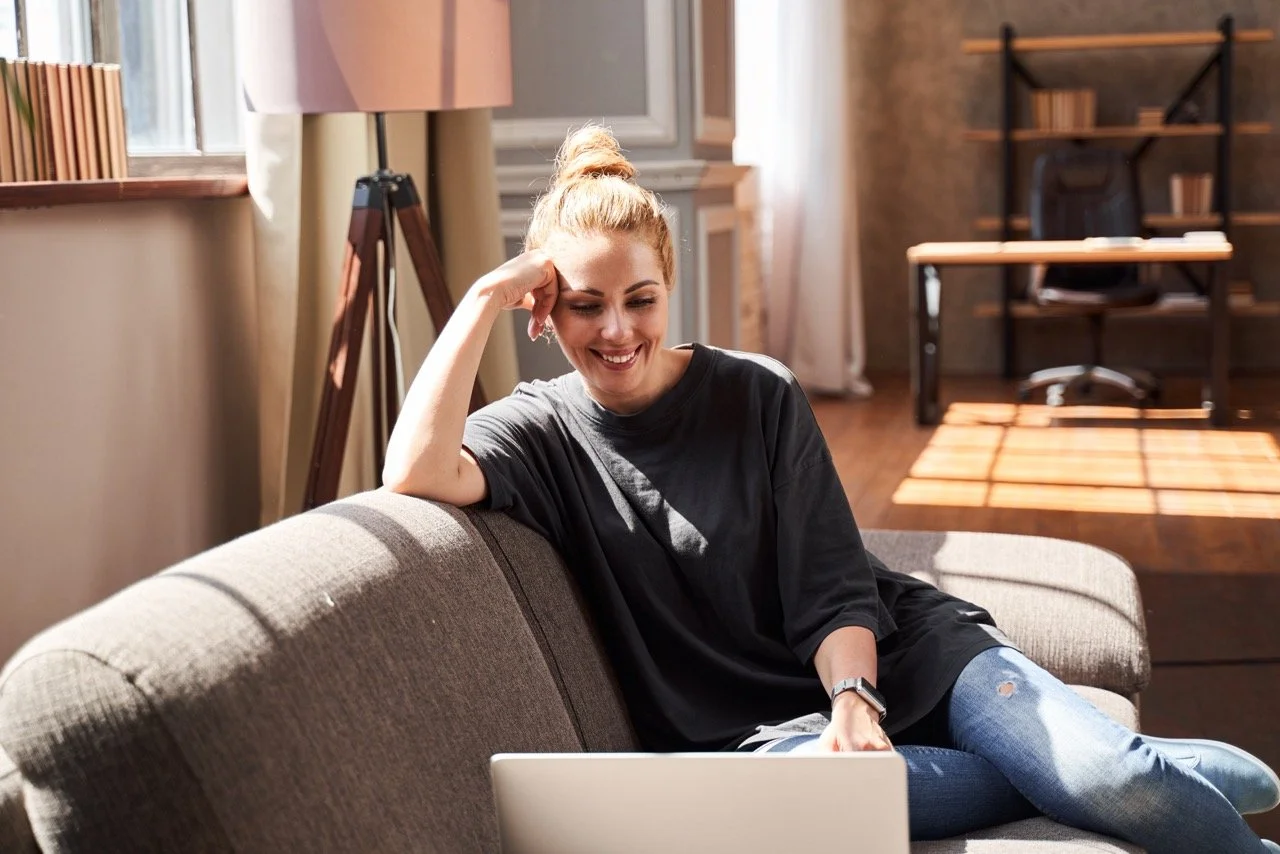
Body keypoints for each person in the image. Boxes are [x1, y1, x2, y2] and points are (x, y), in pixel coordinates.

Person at [382, 124, 1280, 852]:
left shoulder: (757, 391)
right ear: (546, 309)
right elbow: (413, 471)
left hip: (907, 660)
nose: (617, 330)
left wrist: (856, 700)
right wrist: (477, 301)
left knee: (1108, 781)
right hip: (772, 748)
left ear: (670, 288)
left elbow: (832, 578)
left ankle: (1106, 767)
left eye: (641, 300)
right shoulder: (539, 431)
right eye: (585, 304)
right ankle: (1089, 760)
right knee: (794, 806)